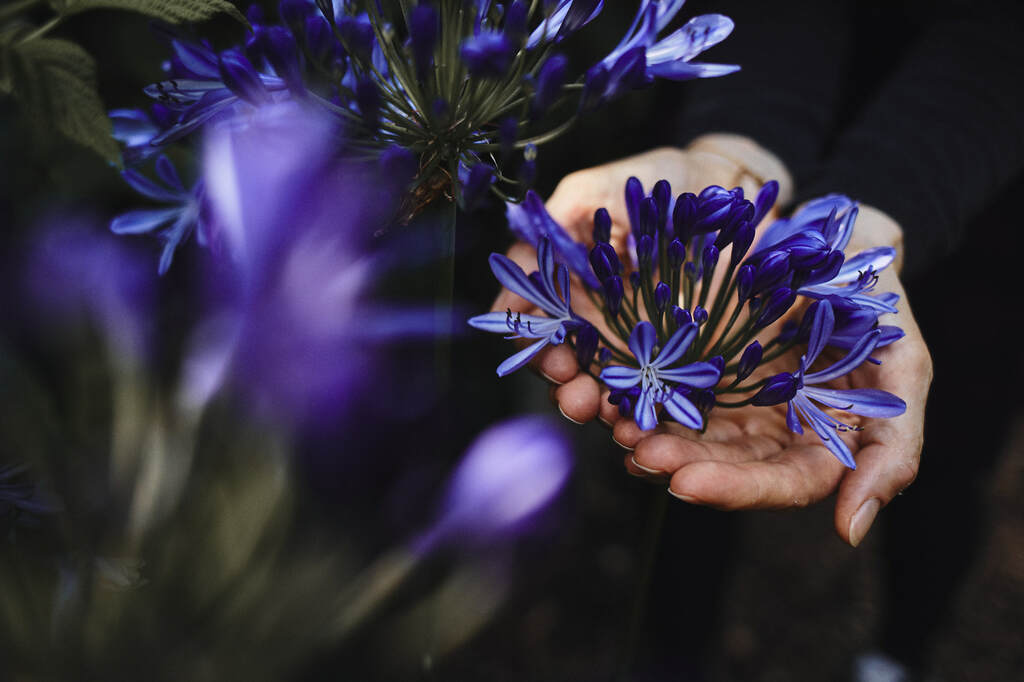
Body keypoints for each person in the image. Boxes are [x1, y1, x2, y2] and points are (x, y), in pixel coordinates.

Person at [491, 0, 1024, 678]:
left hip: (980, 175)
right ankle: (673, 651)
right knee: (684, 464)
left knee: (952, 451)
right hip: (765, 105)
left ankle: (899, 652)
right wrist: (734, 145)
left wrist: (883, 205)